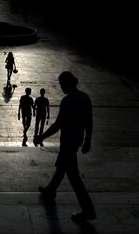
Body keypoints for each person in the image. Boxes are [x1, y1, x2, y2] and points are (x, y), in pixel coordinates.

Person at [35, 71, 96, 222]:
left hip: (68, 141)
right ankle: (50, 190)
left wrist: (42, 136)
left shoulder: (68, 100)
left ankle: (88, 210)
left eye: (62, 84)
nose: (61, 88)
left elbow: (58, 125)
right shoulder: (84, 98)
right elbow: (89, 122)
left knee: (73, 176)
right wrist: (87, 140)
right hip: (76, 141)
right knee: (62, 168)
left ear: (67, 84)